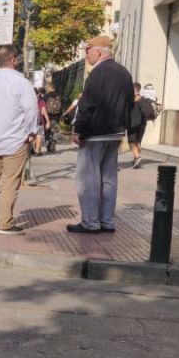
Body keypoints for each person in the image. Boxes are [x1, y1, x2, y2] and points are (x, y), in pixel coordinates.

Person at [68, 36, 133, 234]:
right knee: (109, 177)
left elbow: (87, 105)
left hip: (95, 132)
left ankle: (90, 222)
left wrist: (78, 129)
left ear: (98, 51)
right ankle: (107, 220)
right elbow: (130, 103)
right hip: (115, 133)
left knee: (88, 178)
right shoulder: (124, 73)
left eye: (87, 49)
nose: (86, 53)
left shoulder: (97, 74)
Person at [0, 44, 39, 235]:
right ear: (14, 60)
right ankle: (5, 223)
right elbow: (31, 110)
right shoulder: (21, 84)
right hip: (15, 140)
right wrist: (31, 132)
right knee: (11, 182)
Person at [127, 82, 147, 169]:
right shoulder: (143, 98)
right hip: (143, 124)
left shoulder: (132, 99)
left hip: (133, 124)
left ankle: (138, 157)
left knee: (131, 142)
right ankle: (136, 160)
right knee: (138, 142)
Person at [33, 88, 51, 155]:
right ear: (38, 94)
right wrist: (48, 121)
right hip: (39, 121)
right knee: (39, 135)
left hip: (31, 121)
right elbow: (44, 112)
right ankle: (37, 151)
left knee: (33, 135)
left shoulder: (29, 101)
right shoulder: (41, 101)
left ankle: (34, 149)